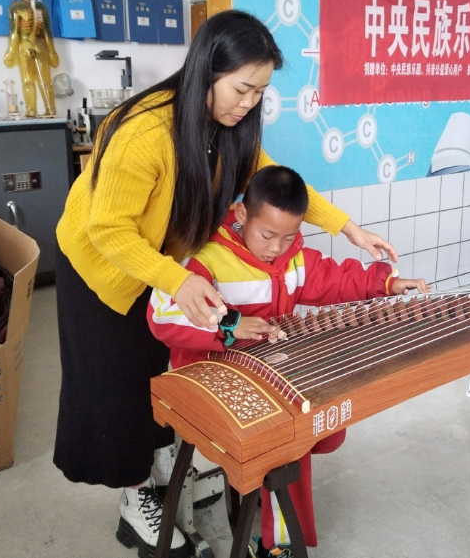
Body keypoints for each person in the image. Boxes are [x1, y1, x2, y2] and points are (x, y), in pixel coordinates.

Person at [54, 10, 398, 558]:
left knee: (164, 370)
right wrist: (176, 281)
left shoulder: (228, 129)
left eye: (259, 93)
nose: (248, 104)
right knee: (119, 385)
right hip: (104, 268)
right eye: (241, 89)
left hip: (161, 264)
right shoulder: (142, 131)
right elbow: (108, 231)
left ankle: (164, 471)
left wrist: (348, 228)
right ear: (207, 71)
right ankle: (135, 497)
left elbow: (275, 183)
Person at [148, 165, 429, 558]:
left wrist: (385, 283)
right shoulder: (207, 257)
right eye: (267, 236)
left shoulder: (293, 258)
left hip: (262, 367)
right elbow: (162, 315)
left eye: (288, 236)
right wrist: (229, 325)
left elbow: (334, 278)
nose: (276, 248)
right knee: (288, 440)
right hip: (207, 375)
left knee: (321, 421)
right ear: (242, 214)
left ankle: (268, 490)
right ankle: (277, 544)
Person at [3, 0, 58, 117]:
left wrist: (52, 51)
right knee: (29, 80)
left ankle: (49, 110)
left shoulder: (41, 8)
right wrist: (11, 50)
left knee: (44, 80)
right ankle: (32, 110)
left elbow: (46, 32)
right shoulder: (17, 7)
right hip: (26, 45)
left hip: (38, 46)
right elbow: (14, 32)